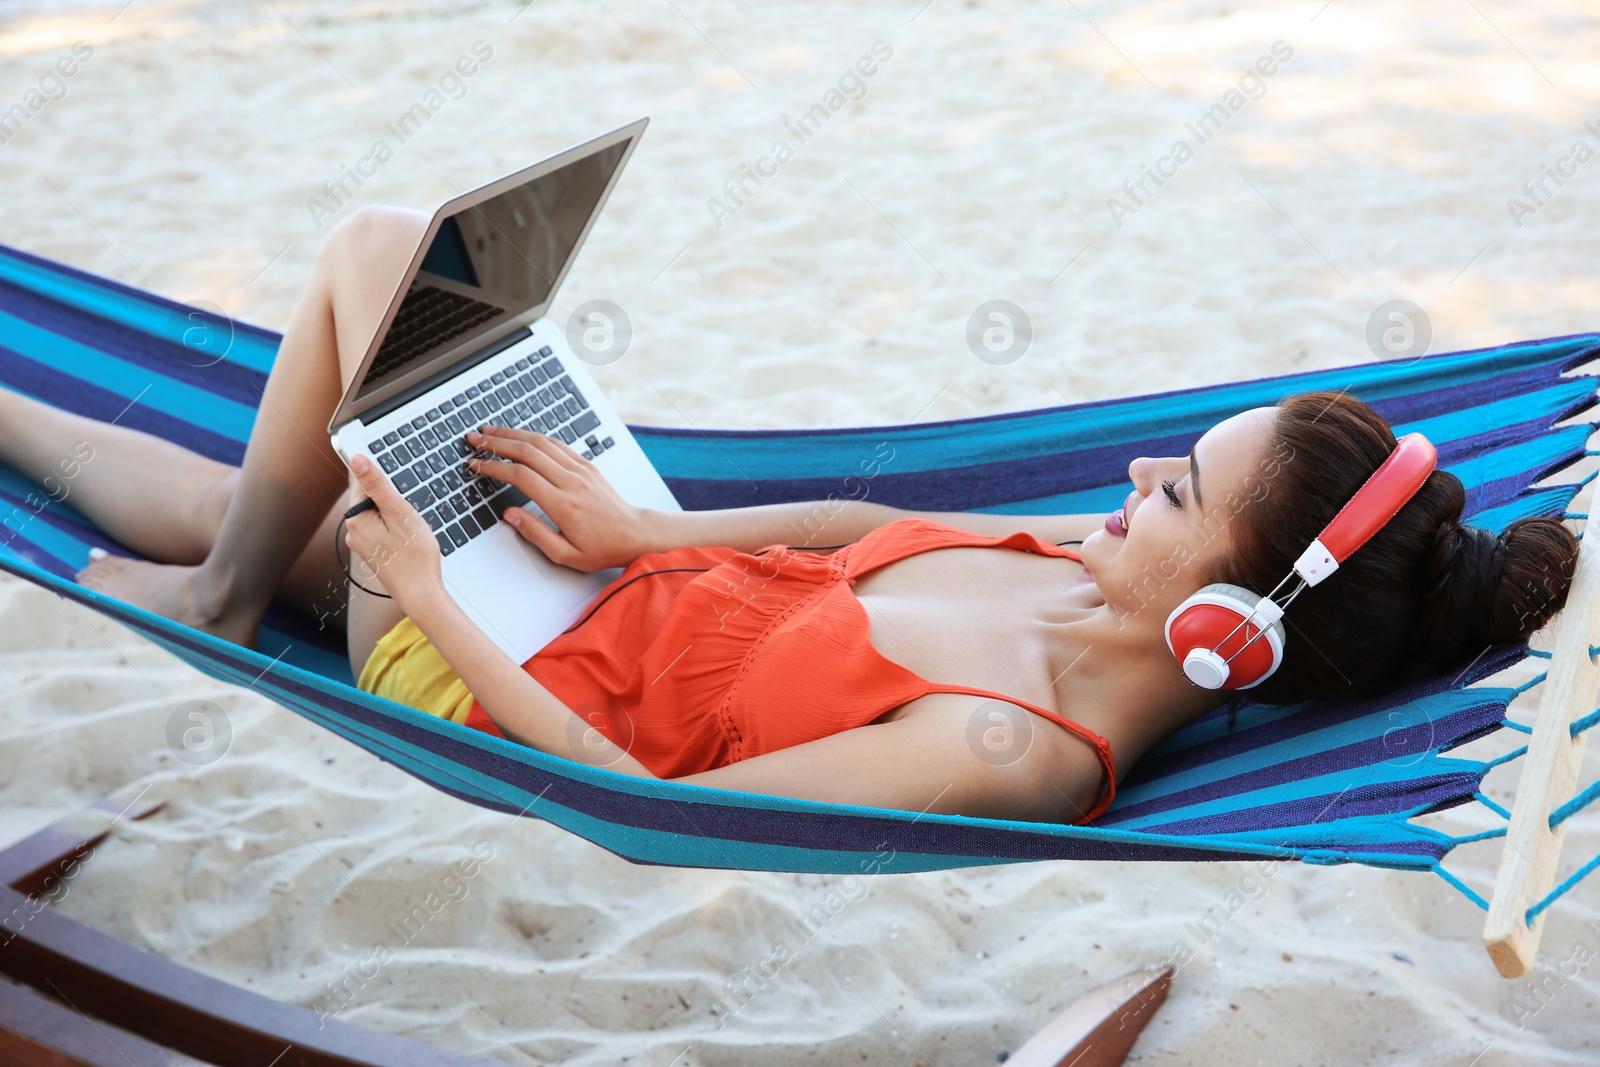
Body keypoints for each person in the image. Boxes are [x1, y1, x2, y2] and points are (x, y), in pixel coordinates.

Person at [0, 207, 1578, 825]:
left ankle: (225, 598)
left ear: (1231, 624)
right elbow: (840, 521)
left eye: (1176, 494)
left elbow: (641, 796)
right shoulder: (1085, 585)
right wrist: (634, 536)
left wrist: (437, 590)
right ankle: (200, 555)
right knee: (260, 484)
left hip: (503, 667)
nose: (1130, 481)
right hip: (594, 570)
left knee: (372, 265)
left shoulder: (1010, 749)